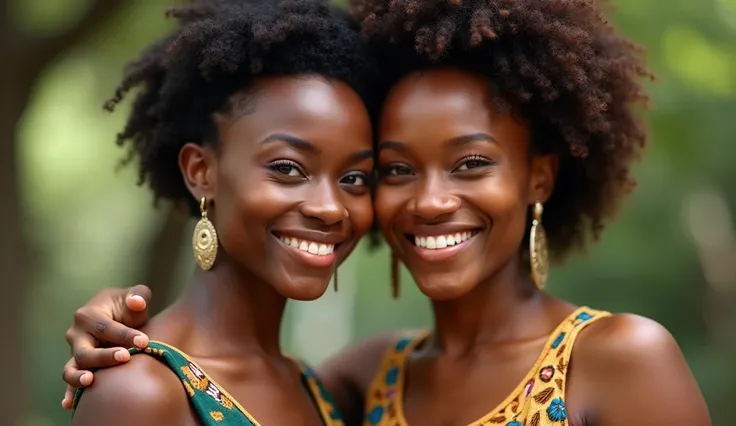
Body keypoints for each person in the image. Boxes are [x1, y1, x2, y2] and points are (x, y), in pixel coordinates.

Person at [62, 1, 712, 425]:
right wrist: (117, 327)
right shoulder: (371, 381)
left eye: (470, 163)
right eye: (396, 170)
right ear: (200, 170)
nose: (430, 201)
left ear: (538, 176)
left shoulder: (621, 358)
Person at [67, 0, 380, 425]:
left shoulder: (320, 391)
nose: (330, 208)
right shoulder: (140, 391)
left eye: (354, 178)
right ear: (201, 172)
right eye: (288, 168)